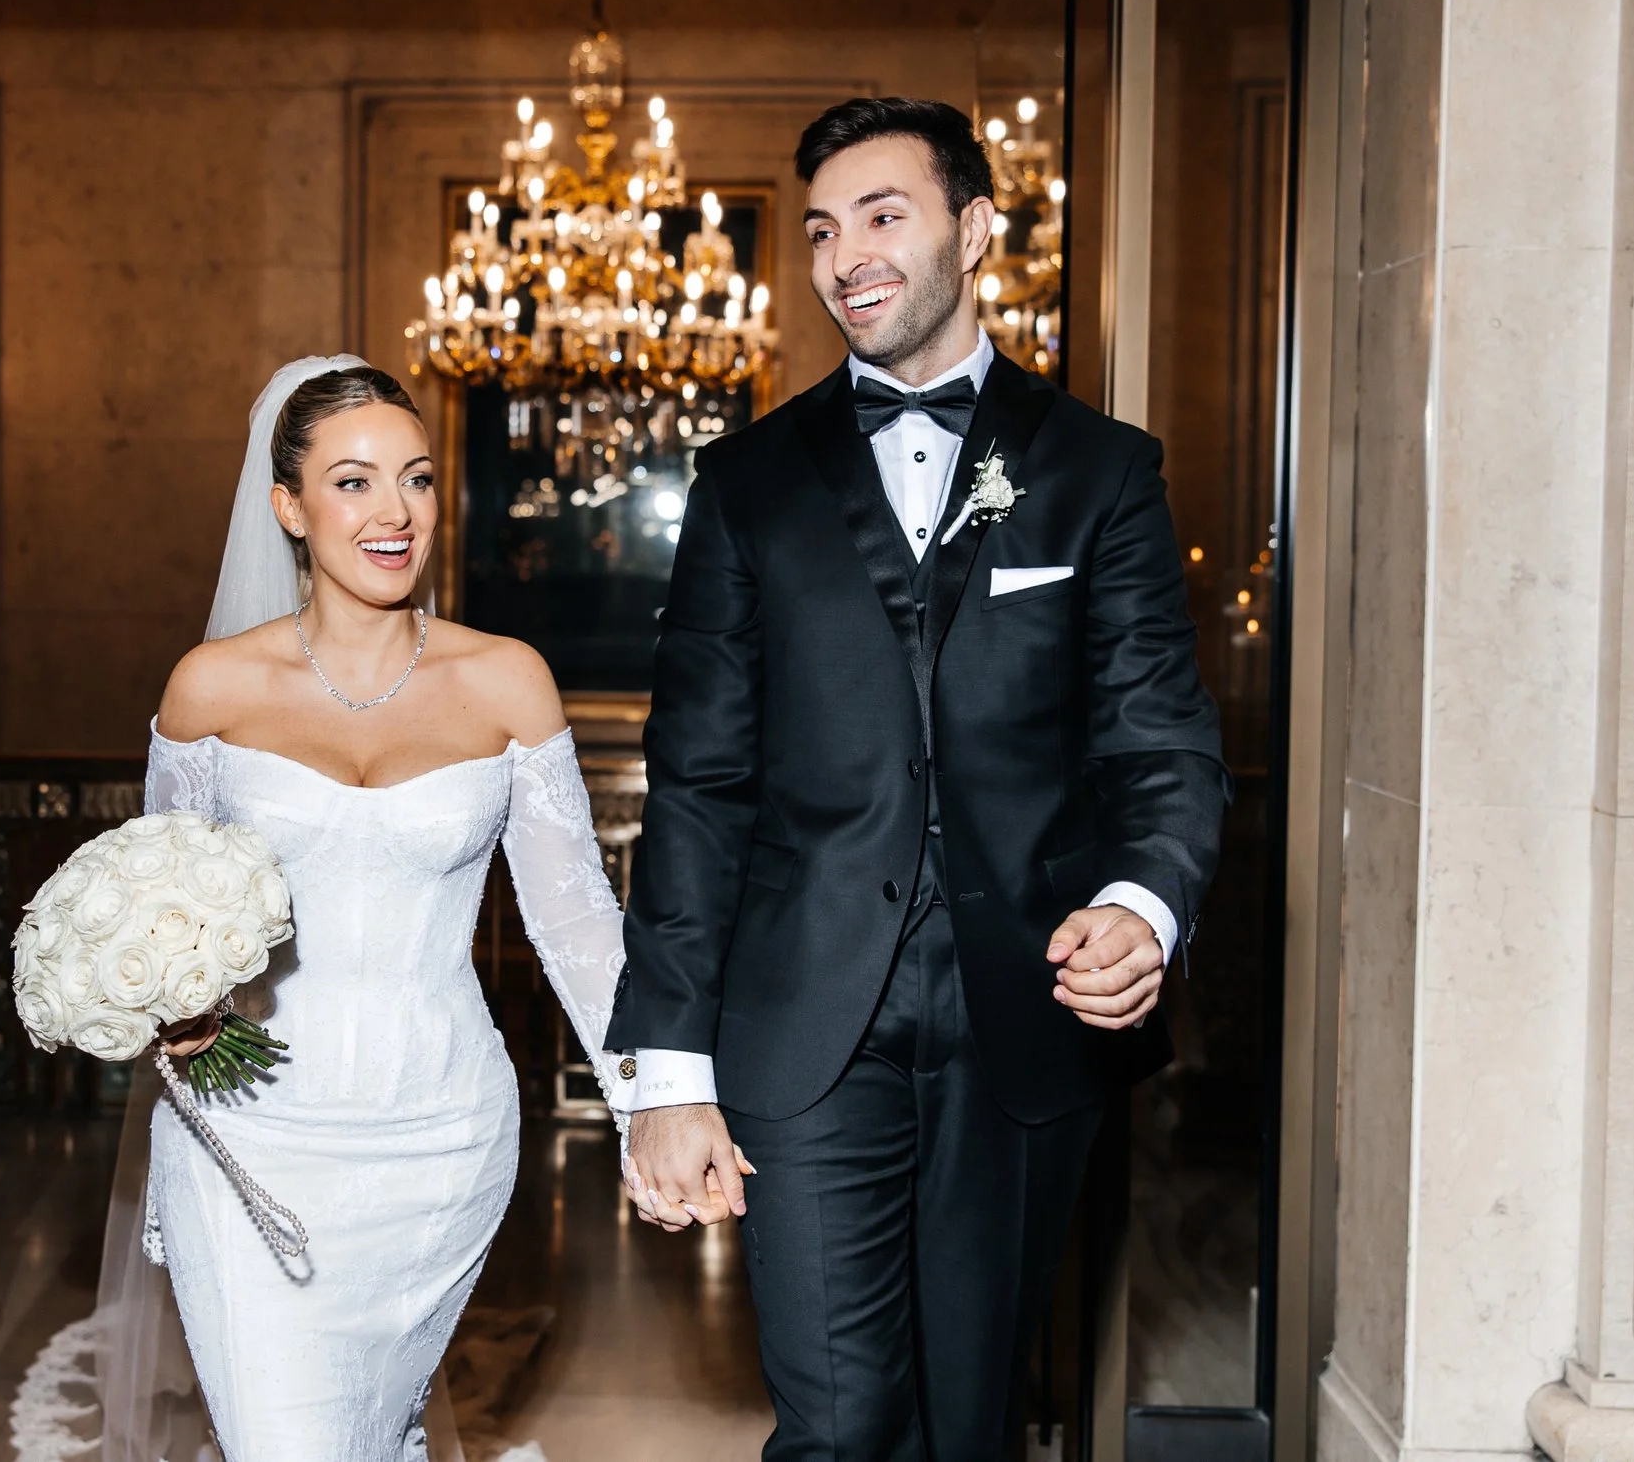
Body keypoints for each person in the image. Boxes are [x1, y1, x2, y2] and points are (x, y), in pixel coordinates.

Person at [607, 97, 1229, 1459]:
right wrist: (667, 1068)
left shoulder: (1099, 469)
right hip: (802, 1016)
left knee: (970, 1420)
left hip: (1029, 1009)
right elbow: (697, 782)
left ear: (976, 228)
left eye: (882, 216)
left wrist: (1141, 903)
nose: (845, 257)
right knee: (839, 1421)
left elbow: (1160, 740)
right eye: (822, 230)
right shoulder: (747, 482)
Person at [88, 355, 627, 1462]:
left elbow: (579, 925)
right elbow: (160, 904)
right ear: (288, 506)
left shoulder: (507, 681)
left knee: (372, 1434)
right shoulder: (210, 688)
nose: (395, 511)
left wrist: (655, 1103)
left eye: (416, 478)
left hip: (442, 1140)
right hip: (247, 1141)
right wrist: (175, 1004)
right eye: (353, 481)